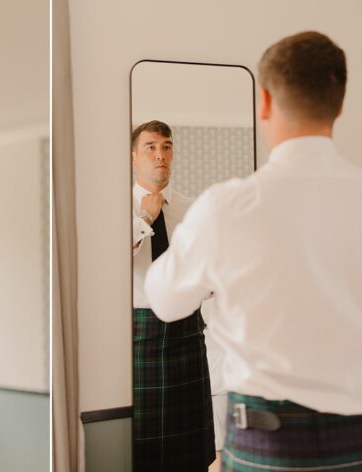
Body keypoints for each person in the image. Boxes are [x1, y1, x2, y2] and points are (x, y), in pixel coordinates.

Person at [147, 31, 362, 470]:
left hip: (266, 443)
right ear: (340, 105)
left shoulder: (225, 207)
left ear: (263, 102)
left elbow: (165, 302)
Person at [130, 119, 214, 470]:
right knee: (144, 450)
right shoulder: (115, 207)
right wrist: (144, 217)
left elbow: (208, 264)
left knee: (191, 453)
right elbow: (107, 263)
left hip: (187, 332)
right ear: (134, 157)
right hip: (141, 333)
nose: (160, 155)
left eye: (166, 146)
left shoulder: (191, 209)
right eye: (150, 147)